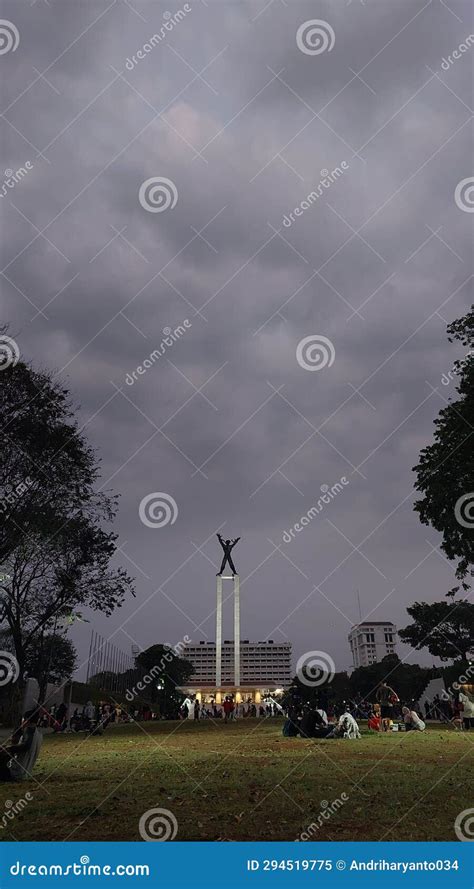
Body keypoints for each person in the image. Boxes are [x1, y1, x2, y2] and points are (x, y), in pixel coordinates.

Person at [0, 709, 43, 782]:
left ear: (26, 720)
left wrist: (8, 749)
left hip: (15, 773)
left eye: (22, 720)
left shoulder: (28, 731)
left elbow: (25, 746)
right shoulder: (39, 735)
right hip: (26, 773)